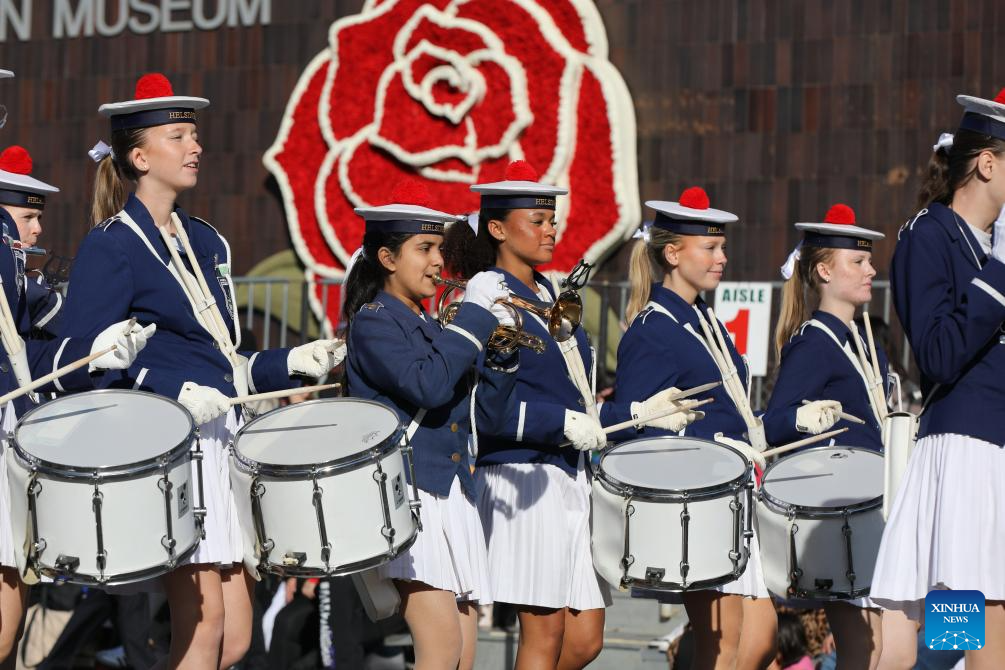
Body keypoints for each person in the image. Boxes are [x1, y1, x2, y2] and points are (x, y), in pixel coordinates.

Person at [60, 73, 344, 669]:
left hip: (220, 439)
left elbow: (224, 365)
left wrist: (287, 362)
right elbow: (87, 365)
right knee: (206, 624)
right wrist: (172, 394)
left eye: (195, 135)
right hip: (167, 447)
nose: (196, 147)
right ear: (139, 156)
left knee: (236, 636)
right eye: (178, 135)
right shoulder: (111, 245)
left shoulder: (206, 241)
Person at [442, 160, 678, 669]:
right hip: (523, 474)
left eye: (553, 219)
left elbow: (573, 391)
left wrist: (635, 413)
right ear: (499, 228)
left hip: (569, 473)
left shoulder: (549, 292)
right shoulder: (487, 293)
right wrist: (560, 424)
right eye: (538, 220)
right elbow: (488, 408)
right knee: (544, 636)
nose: (551, 229)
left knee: (585, 640)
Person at [344, 180, 518, 670]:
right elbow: (430, 387)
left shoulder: (433, 326)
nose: (440, 261)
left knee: (462, 657)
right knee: (440, 655)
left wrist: (502, 359)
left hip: (452, 494)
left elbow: (486, 417)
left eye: (440, 248)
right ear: (387, 257)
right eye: (424, 249)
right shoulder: (374, 321)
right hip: (412, 497)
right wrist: (475, 322)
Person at [604, 187, 776, 670]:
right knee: (725, 645)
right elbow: (629, 433)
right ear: (674, 254)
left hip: (733, 493)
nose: (724, 257)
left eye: (722, 246)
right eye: (712, 248)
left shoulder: (706, 322)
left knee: (758, 641)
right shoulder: (653, 328)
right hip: (699, 502)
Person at [0, 144, 150, 668]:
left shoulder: (26, 281)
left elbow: (39, 347)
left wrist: (95, 349)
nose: (36, 231)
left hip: (13, 436)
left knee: (7, 624)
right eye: (27, 217)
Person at [871, 88, 1005, 670]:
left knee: (963, 634)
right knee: (979, 620)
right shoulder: (930, 233)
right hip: (966, 450)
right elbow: (939, 353)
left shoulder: (989, 245)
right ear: (988, 163)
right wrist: (1000, 273)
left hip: (992, 446)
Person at [763, 203, 887, 669]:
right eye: (858, 261)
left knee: (894, 652)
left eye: (869, 260)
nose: (871, 269)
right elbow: (775, 423)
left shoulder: (862, 339)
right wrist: (804, 418)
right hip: (841, 517)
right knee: (868, 654)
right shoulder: (814, 341)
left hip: (870, 505)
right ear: (823, 271)